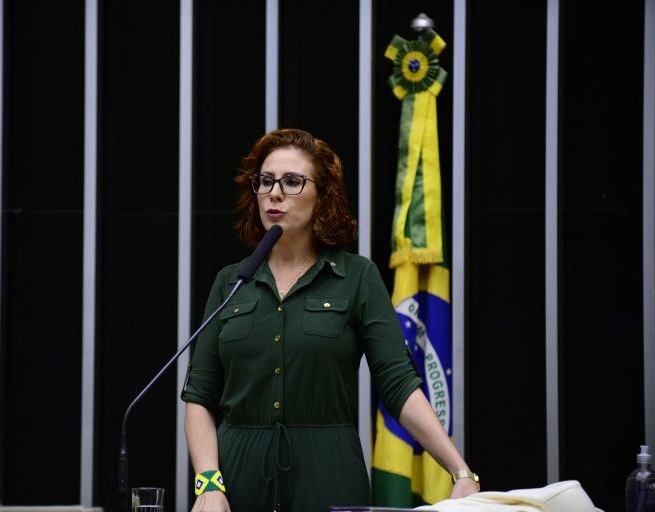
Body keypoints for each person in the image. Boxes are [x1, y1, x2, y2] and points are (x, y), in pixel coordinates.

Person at [181, 128, 479, 512]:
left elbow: (398, 384)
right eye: (265, 181)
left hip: (328, 474)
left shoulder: (357, 277)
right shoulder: (231, 281)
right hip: (236, 481)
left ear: (323, 195)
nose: (274, 193)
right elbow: (199, 395)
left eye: (292, 182)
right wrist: (208, 482)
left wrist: (461, 472)